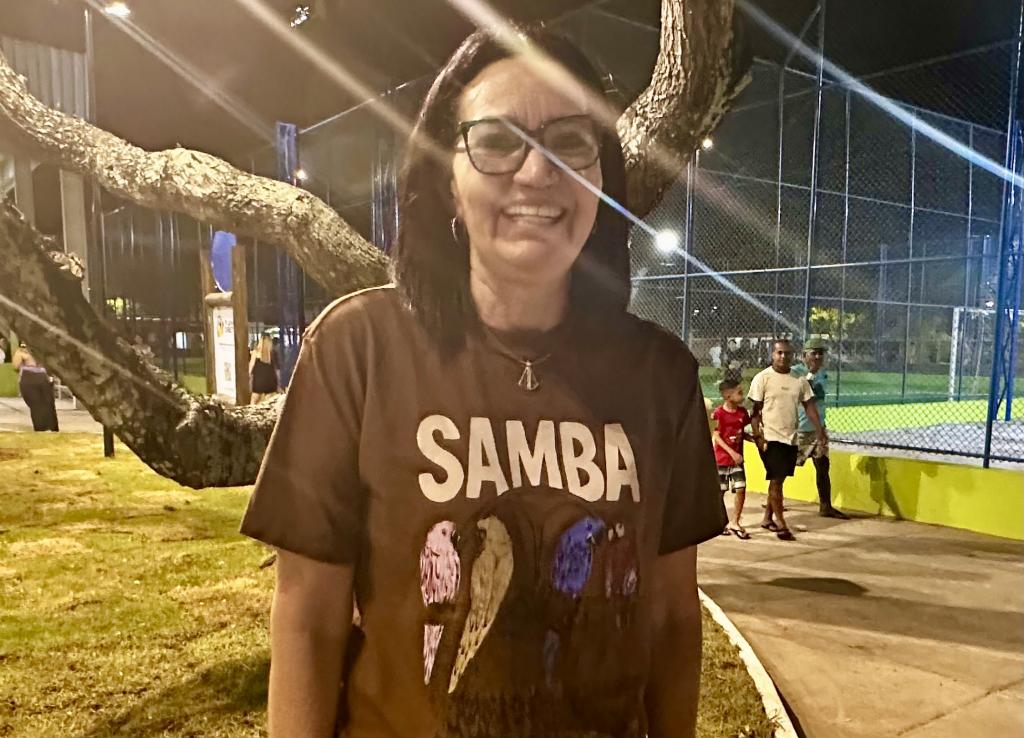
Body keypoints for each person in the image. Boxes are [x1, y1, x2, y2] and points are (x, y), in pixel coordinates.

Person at [240, 24, 725, 738]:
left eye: (571, 142)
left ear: (600, 180)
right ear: (447, 181)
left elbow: (672, 617)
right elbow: (308, 617)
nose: (536, 172)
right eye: (497, 142)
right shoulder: (356, 351)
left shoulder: (660, 377)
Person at [748, 339, 824, 541]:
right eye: (779, 353)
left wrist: (820, 430)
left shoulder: (799, 380)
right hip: (769, 437)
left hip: (790, 437)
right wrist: (758, 436)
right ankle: (782, 524)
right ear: (772, 354)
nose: (783, 357)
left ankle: (767, 519)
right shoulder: (762, 378)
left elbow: (809, 406)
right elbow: (754, 412)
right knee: (777, 480)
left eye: (787, 353)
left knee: (779, 478)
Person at [794, 339, 849, 519]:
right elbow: (804, 393)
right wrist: (811, 373)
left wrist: (821, 427)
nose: (818, 356)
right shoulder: (796, 372)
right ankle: (773, 502)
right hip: (800, 428)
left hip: (818, 427)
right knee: (784, 466)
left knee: (823, 465)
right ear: (804, 355)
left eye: (821, 353)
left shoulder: (822, 373)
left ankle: (826, 506)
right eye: (813, 353)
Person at [712, 379, 752, 539]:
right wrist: (732, 453)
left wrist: (755, 439)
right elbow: (717, 435)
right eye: (739, 393)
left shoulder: (742, 413)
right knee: (720, 491)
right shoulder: (719, 413)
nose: (743, 396)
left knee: (741, 488)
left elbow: (743, 432)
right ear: (728, 396)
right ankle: (720, 522)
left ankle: (735, 521)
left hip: (737, 461)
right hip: (722, 459)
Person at [12, 343, 59, 432]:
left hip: (35, 378)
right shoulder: (41, 350)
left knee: (40, 406)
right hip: (39, 377)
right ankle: (48, 429)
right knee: (44, 405)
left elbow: (15, 366)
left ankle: (44, 429)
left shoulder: (23, 351)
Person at [248, 334, 280, 403]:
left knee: (254, 401)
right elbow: (276, 369)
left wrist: (249, 376)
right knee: (269, 402)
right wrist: (278, 383)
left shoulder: (256, 352)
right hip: (270, 381)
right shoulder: (272, 353)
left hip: (258, 381)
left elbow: (251, 366)